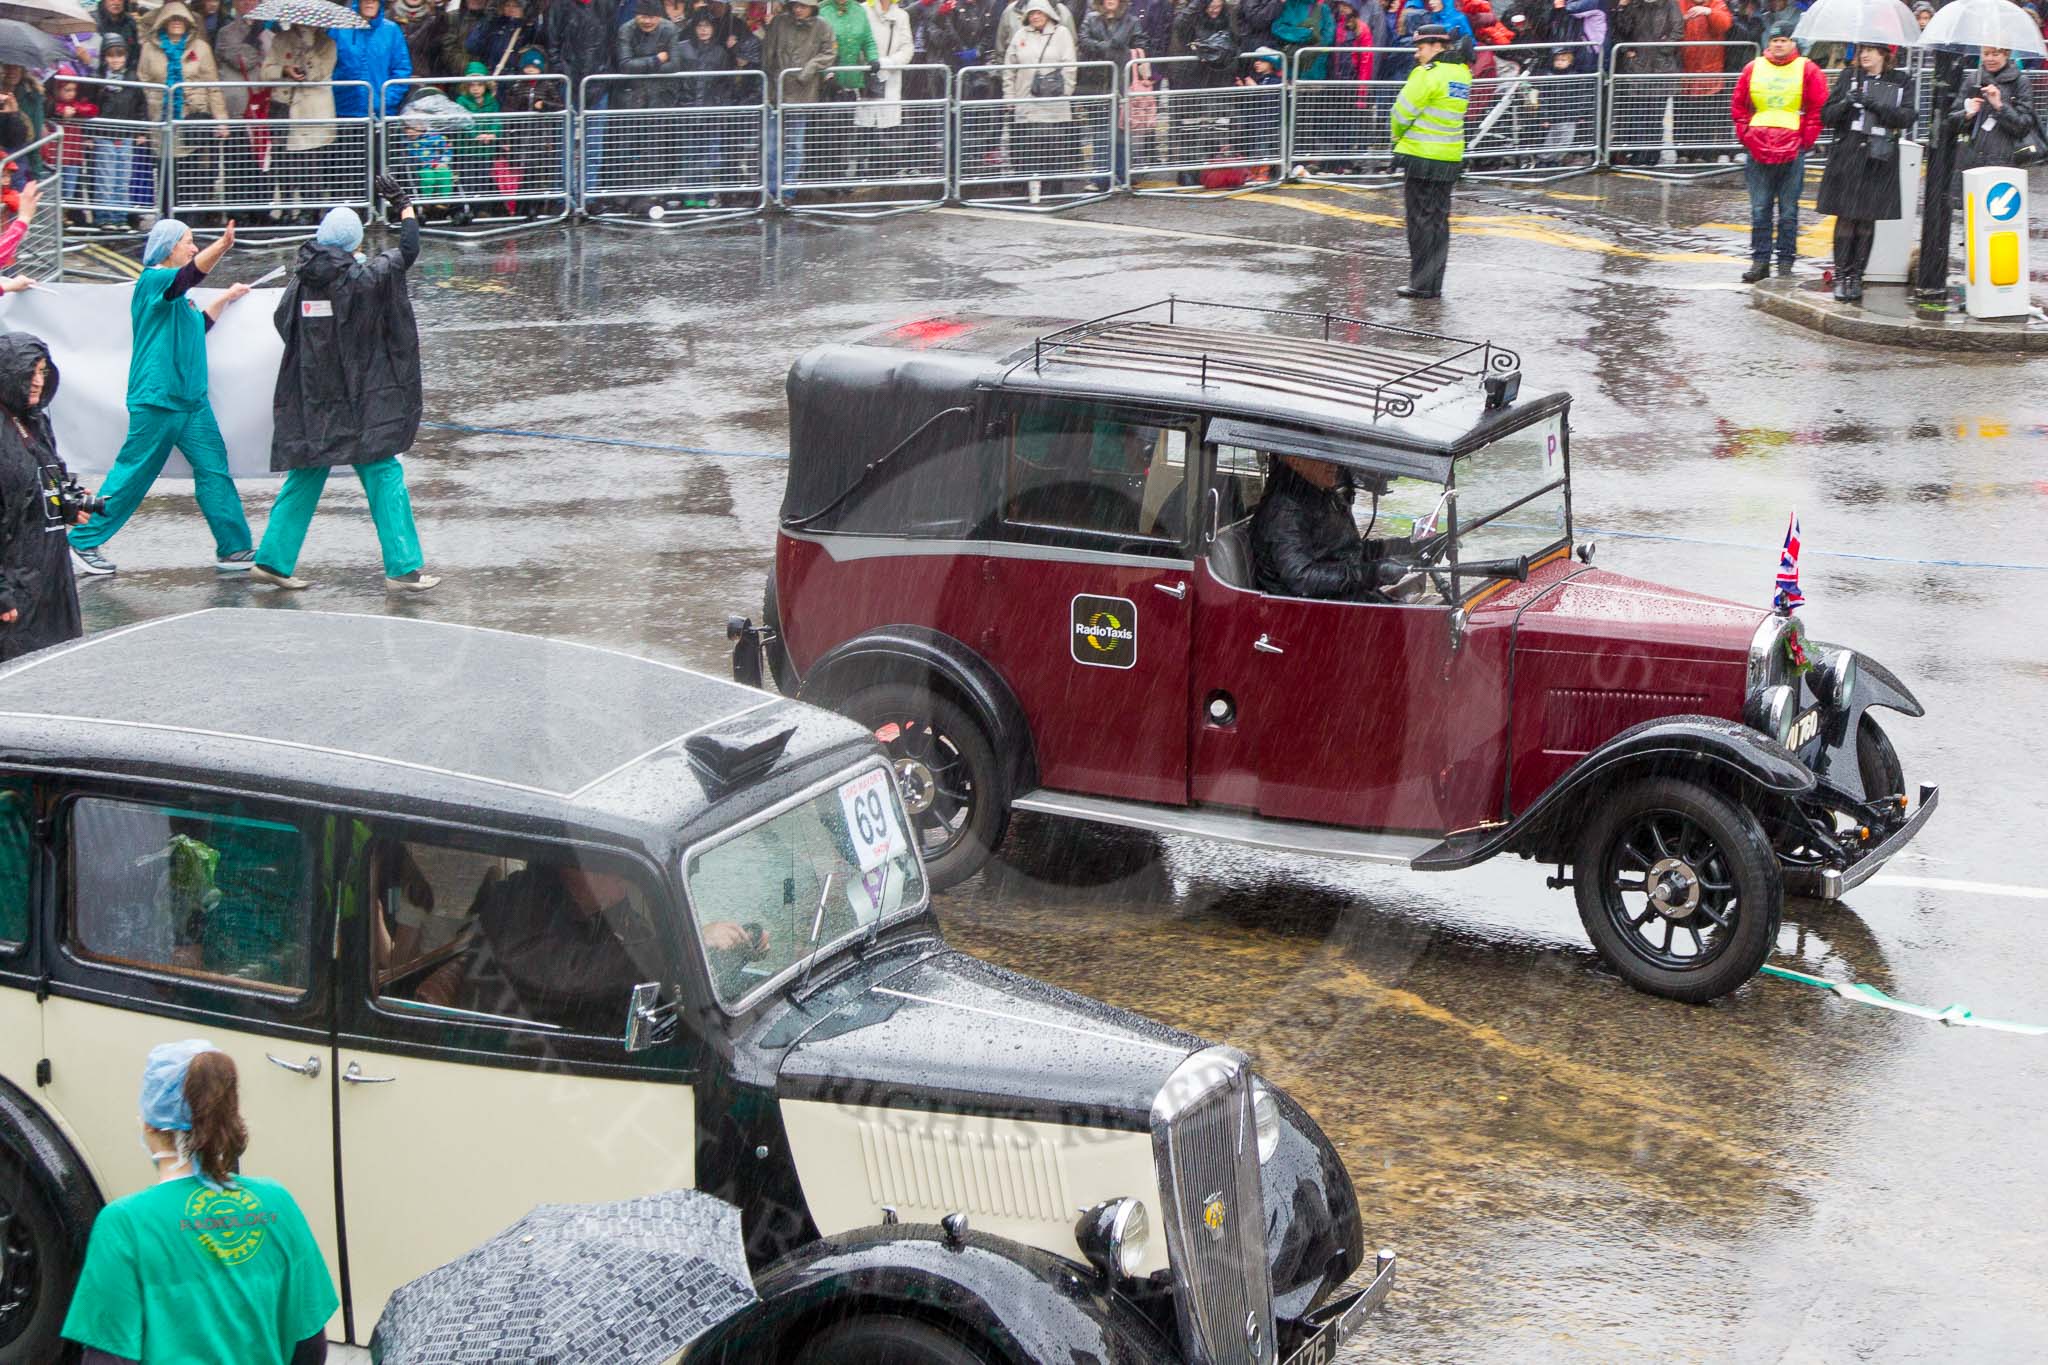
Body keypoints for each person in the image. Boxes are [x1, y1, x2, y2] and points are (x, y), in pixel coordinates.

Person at [60, 1042, 338, 1365]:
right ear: (229, 1117)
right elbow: (310, 1347)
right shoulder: (278, 1204)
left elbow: (106, 1360)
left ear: (149, 1125)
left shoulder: (124, 1224)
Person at [253, 191, 438, 593]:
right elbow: (407, 251)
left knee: (305, 476)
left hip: (313, 401)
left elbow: (283, 321)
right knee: (384, 474)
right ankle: (403, 566)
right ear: (354, 242)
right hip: (359, 404)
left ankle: (272, 559)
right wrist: (404, 208)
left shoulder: (301, 282)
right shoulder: (364, 280)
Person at [69, 221, 254, 578]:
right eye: (188, 241)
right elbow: (189, 276)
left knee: (215, 470)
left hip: (191, 402)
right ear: (169, 247)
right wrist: (223, 245)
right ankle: (83, 539)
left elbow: (197, 326)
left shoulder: (177, 294)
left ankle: (234, 548)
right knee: (133, 474)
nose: (193, 247)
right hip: (158, 400)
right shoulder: (154, 281)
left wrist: (226, 298)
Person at [409, 860, 759, 1034]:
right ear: (572, 868)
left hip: (588, 1035)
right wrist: (685, 946)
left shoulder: (601, 906)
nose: (622, 877)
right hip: (527, 1060)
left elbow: (641, 952)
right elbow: (575, 975)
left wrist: (729, 947)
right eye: (611, 867)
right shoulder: (520, 912)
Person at [0, 334, 84, 661]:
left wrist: (64, 504)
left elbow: (47, 478)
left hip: (50, 575)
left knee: (54, 668)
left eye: (43, 372)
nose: (37, 382)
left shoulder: (36, 421)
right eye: (29, 373)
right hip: (13, 582)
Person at [1817, 42, 1913, 304]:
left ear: (1884, 54)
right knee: (1846, 217)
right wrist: (1847, 102)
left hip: (1878, 157)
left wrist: (1875, 105)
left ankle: (1856, 276)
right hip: (1848, 154)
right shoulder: (1850, 77)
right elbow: (1827, 115)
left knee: (1868, 219)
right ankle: (1842, 275)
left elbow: (1907, 117)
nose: (1865, 55)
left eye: (1871, 50)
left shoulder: (1900, 80)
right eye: (1862, 50)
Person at [1731, 30, 1823, 282]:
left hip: (1793, 150)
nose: (1780, 44)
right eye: (1775, 40)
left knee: (1788, 212)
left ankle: (1785, 263)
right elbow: (1738, 105)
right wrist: (1746, 135)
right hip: (1758, 148)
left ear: (1793, 43)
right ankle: (1760, 262)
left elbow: (1817, 107)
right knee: (1760, 210)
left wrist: (1805, 141)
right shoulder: (1753, 67)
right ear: (1768, 43)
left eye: (1784, 40)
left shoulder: (1808, 69)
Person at [1388, 23, 1466, 299]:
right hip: (1449, 158)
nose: (1416, 54)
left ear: (1435, 46)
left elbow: (1401, 113)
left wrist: (1396, 137)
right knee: (1438, 222)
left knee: (1419, 223)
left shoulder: (1426, 74)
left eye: (1420, 47)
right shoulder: (1461, 73)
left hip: (1421, 157)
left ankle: (1420, 284)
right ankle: (1434, 284)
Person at [1251, 455, 1392, 601]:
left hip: (1335, 602)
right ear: (1295, 461)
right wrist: (1371, 574)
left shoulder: (1319, 494)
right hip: (1305, 613)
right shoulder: (1285, 509)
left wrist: (1397, 547)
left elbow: (1346, 550)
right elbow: (1301, 577)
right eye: (1322, 456)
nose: (1334, 463)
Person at [137, 3, 229, 203]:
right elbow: (143, 82)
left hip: (192, 120)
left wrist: (221, 120)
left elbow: (213, 86)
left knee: (192, 174)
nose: (177, 23)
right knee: (165, 172)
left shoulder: (202, 48)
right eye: (173, 19)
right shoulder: (148, 48)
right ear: (164, 22)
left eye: (181, 19)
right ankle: (167, 218)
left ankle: (191, 221)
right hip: (162, 119)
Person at [261, 22, 339, 225]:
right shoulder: (281, 39)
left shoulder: (327, 43)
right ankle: (286, 208)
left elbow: (319, 73)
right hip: (282, 107)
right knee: (283, 163)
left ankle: (310, 210)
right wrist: (284, 70)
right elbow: (265, 71)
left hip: (312, 112)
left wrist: (308, 49)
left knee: (310, 163)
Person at [762, 0, 839, 195]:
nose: (798, 9)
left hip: (802, 94)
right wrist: (769, 81)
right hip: (776, 93)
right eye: (796, 5)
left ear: (812, 7)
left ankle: (788, 191)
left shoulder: (822, 26)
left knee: (794, 146)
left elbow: (830, 53)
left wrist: (810, 68)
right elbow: (768, 55)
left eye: (803, 6)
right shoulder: (779, 22)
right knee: (771, 146)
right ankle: (771, 191)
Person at [1003, 0, 1075, 204]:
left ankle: (1054, 190)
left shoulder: (1062, 34)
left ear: (1047, 13)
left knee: (1054, 146)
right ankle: (1029, 189)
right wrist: (1009, 96)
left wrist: (1067, 92)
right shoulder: (1020, 35)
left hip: (1054, 102)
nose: (1035, 16)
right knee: (1026, 148)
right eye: (1032, 13)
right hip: (1026, 99)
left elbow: (1070, 65)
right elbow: (1009, 68)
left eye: (1039, 12)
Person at [1950, 46, 2037, 182]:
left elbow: (2024, 126)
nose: (1989, 58)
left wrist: (2000, 106)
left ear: (2006, 54)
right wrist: (1967, 114)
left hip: (2005, 161)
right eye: (1986, 54)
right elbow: (1952, 121)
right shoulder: (1973, 80)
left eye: (1995, 54)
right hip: (1970, 161)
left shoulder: (2020, 82)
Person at [333, 0, 414, 119]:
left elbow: (401, 70)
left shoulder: (392, 30)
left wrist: (385, 100)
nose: (369, 2)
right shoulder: (339, 29)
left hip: (381, 114)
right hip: (345, 110)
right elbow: (326, 63)